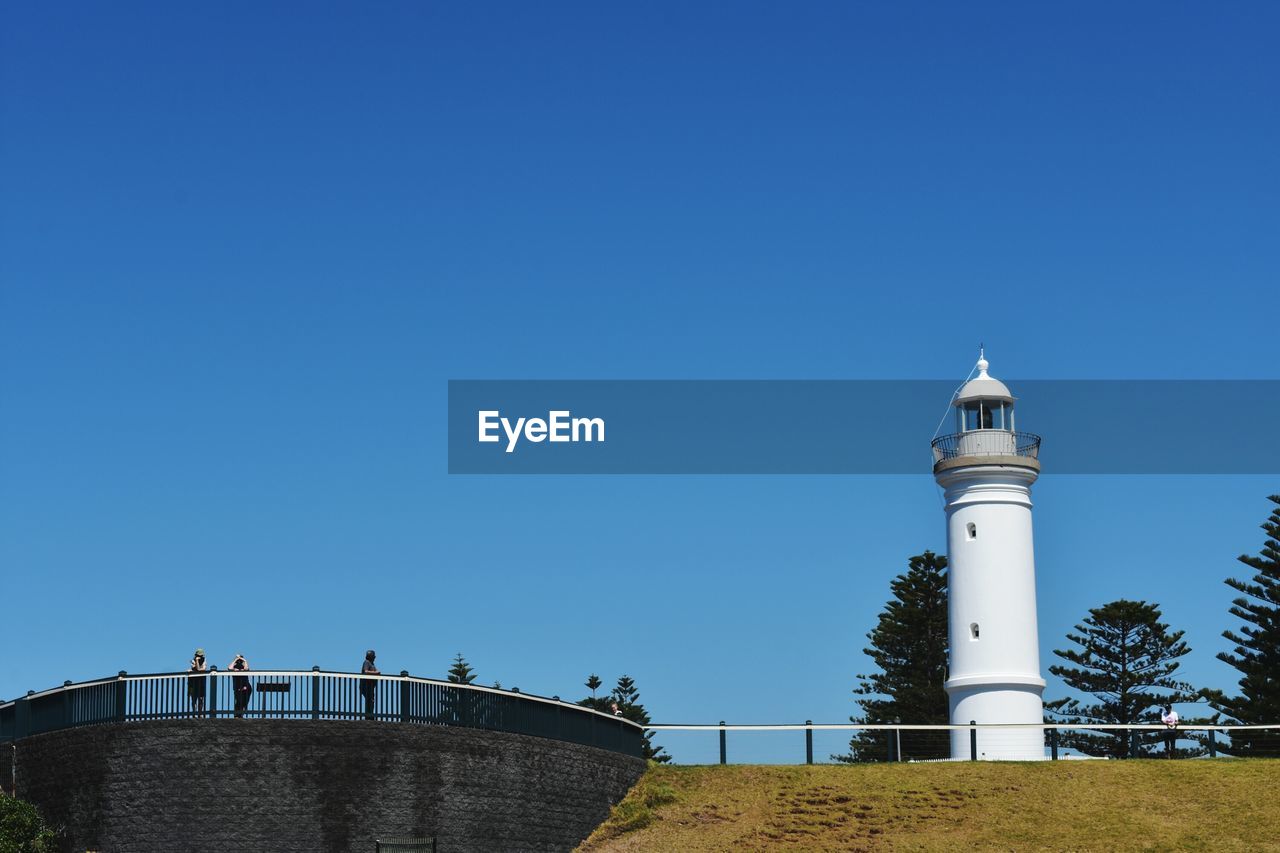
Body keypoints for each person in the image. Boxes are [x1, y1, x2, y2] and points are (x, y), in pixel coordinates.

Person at [229, 653, 252, 718]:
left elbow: (246, 669)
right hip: (237, 688)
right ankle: (237, 715)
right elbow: (229, 668)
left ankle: (241, 715)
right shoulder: (234, 667)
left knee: (244, 703)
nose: (239, 660)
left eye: (240, 659)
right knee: (238, 702)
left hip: (246, 687)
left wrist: (244, 660)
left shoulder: (244, 666)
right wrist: (235, 660)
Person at [187, 649, 207, 717]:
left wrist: (197, 662)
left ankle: (200, 713)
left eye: (201, 655)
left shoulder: (204, 660)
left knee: (201, 699)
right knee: (193, 699)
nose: (200, 657)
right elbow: (197, 668)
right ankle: (194, 713)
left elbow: (199, 669)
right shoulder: (193, 661)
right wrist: (196, 661)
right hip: (193, 682)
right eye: (198, 655)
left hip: (201, 682)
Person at [360, 650, 380, 720]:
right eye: (373, 656)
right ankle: (369, 716)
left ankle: (370, 715)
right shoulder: (367, 662)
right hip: (366, 686)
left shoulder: (372, 663)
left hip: (370, 686)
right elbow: (365, 671)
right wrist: (376, 673)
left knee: (371, 700)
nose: (375, 657)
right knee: (370, 700)